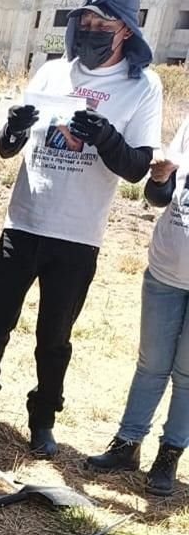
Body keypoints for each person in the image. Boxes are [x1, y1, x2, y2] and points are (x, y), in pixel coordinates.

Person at [0, 0, 163, 458]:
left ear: (125, 31)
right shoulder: (51, 73)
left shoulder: (141, 87)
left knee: (54, 335)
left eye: (103, 22)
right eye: (85, 19)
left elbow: (139, 168)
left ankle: (43, 420)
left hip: (77, 233)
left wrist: (104, 137)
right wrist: (14, 130)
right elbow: (6, 148)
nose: (91, 28)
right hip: (24, 220)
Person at [84, 117, 189, 496]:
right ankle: (128, 444)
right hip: (165, 268)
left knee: (187, 375)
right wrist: (160, 179)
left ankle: (170, 454)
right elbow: (159, 197)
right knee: (151, 365)